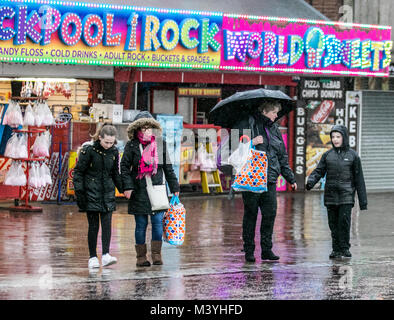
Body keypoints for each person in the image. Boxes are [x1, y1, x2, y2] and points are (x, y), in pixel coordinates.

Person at [234, 101, 297, 262]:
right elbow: (235, 148)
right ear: (265, 111)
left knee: (269, 215)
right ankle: (249, 251)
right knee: (251, 216)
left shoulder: (274, 129)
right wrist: (252, 143)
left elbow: (282, 156)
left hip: (270, 180)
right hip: (252, 179)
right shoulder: (248, 124)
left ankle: (266, 250)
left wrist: (290, 178)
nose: (277, 116)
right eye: (275, 112)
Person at [120, 111, 180, 267]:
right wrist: (127, 186)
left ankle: (156, 255)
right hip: (139, 190)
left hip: (158, 189)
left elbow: (168, 168)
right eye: (144, 128)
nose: (147, 131)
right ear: (137, 129)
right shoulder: (132, 145)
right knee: (140, 224)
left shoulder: (161, 144)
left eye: (149, 128)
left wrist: (174, 187)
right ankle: (141, 257)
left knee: (158, 223)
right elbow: (124, 167)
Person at [306, 124, 367, 259]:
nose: (335, 139)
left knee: (343, 223)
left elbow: (359, 179)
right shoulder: (327, 155)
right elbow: (318, 171)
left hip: (346, 196)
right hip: (331, 196)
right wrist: (310, 182)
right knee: (333, 224)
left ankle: (344, 248)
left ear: (344, 137)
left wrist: (363, 201)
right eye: (333, 137)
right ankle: (335, 249)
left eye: (338, 136)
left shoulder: (353, 156)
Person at [73, 123, 123, 269]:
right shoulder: (89, 150)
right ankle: (93, 257)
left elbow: (115, 173)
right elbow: (79, 172)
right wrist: (80, 193)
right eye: (106, 142)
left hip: (107, 192)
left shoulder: (114, 152)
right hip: (91, 192)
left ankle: (106, 254)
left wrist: (125, 189)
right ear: (99, 138)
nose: (108, 145)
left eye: (111, 142)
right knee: (93, 226)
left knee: (107, 225)